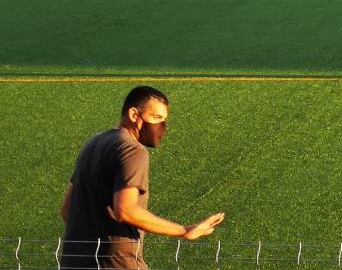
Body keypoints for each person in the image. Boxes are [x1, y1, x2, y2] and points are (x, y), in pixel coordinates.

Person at [61, 86, 225, 270]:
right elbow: (126, 210)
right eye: (156, 118)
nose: (161, 126)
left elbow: (67, 209)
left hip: (74, 262)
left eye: (164, 119)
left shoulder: (93, 143)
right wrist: (185, 230)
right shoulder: (132, 150)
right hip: (118, 263)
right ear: (133, 115)